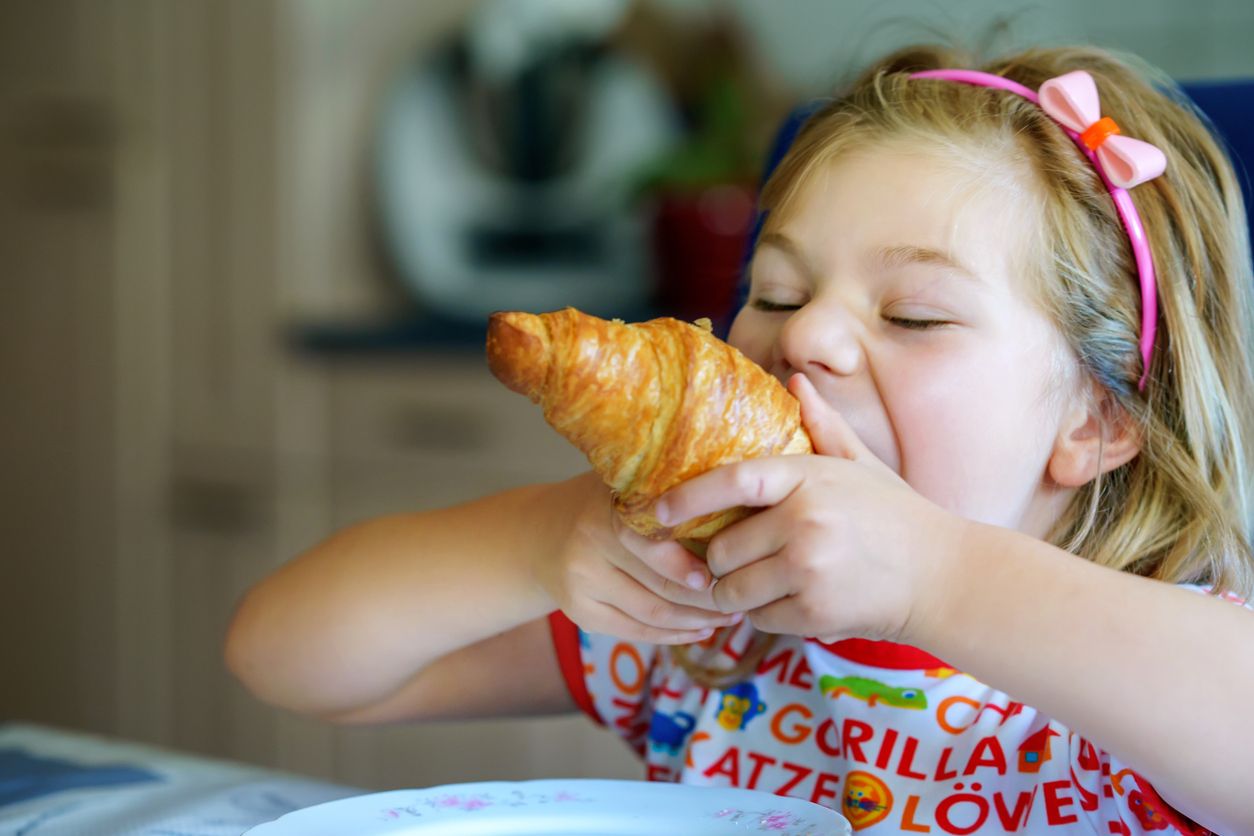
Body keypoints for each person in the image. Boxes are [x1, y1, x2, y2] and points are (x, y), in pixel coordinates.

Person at [224, 43, 1254, 834]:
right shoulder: (712, 630)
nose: (801, 332)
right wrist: (539, 538)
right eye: (776, 289)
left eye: (914, 314)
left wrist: (930, 576)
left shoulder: (1143, 669)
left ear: (1099, 416)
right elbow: (287, 655)